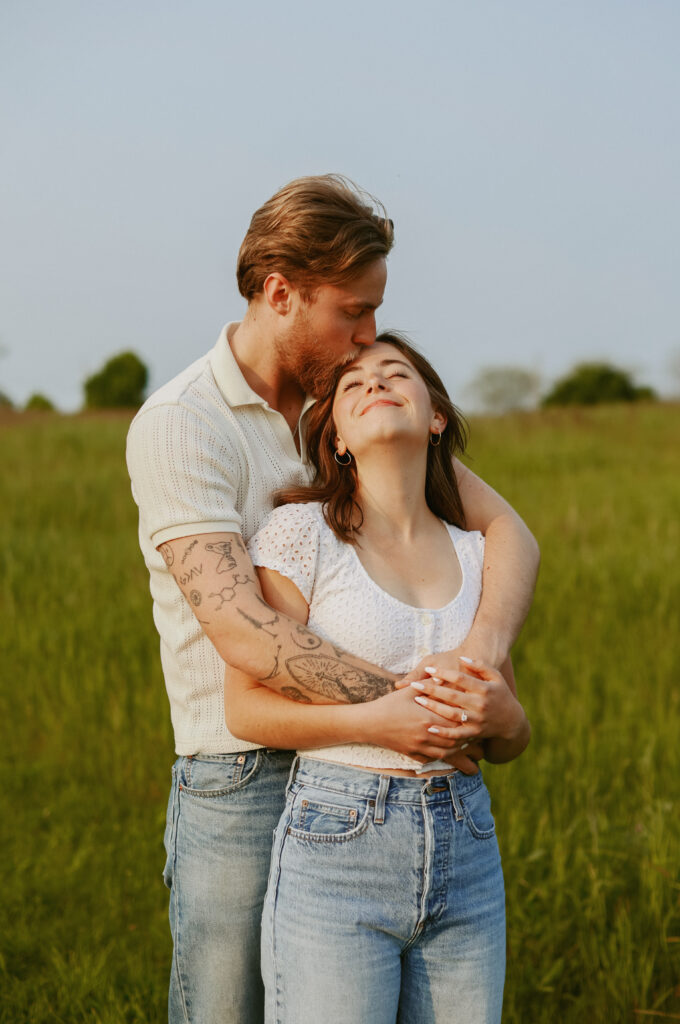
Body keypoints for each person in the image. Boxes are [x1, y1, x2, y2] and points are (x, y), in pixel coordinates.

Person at [126, 175, 539, 1024]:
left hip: (380, 778)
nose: (369, 334)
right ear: (281, 293)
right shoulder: (184, 423)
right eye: (353, 310)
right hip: (239, 772)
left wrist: (483, 659)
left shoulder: (347, 401)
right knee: (227, 1008)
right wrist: (419, 713)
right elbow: (245, 632)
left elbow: (510, 534)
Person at [226, 332, 531, 1024]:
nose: (376, 384)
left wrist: (507, 721)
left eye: (397, 374)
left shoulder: (478, 554)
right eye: (353, 385)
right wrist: (374, 722)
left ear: (435, 418)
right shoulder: (301, 535)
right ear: (335, 436)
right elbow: (245, 707)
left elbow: (509, 734)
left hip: (467, 842)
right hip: (338, 841)